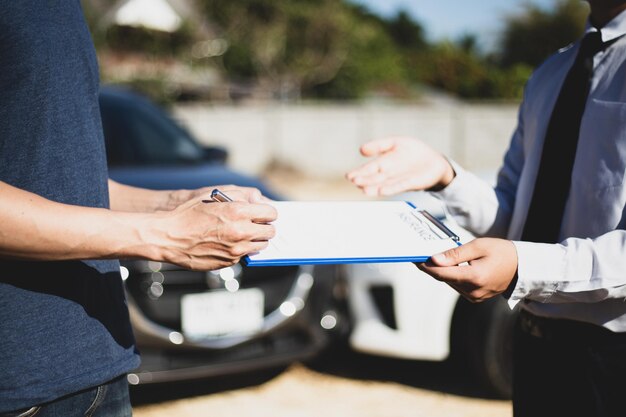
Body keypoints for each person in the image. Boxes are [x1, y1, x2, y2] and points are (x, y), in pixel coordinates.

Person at [347, 1, 626, 416]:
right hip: (533, 349)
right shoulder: (551, 73)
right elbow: (514, 215)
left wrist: (521, 266)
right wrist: (445, 176)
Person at [0, 2, 276, 416]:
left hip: (100, 367)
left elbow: (58, 179)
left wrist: (173, 201)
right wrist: (163, 233)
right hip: (17, 388)